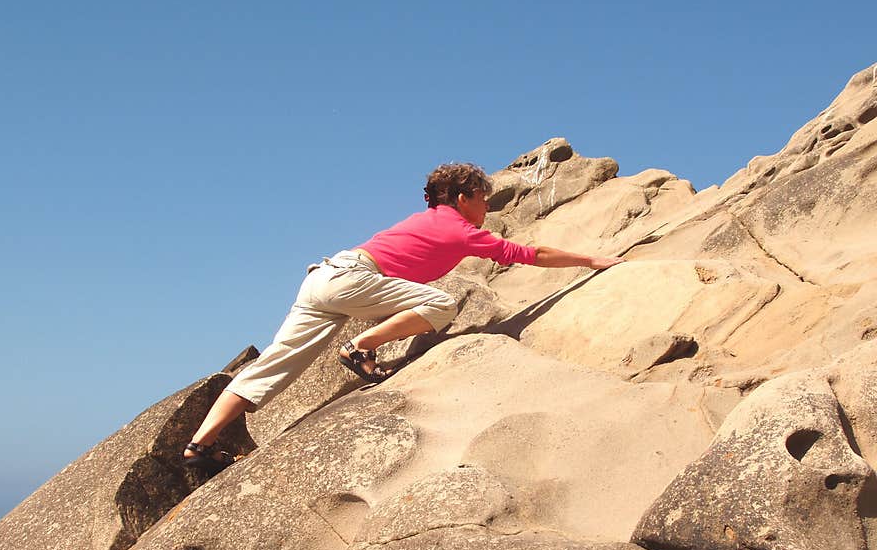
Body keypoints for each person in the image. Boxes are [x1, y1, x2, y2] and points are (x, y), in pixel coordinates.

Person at [183, 162, 625, 474]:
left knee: (272, 369)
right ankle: (359, 348)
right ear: (461, 198)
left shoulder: (426, 219)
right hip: (352, 279)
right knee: (442, 304)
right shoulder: (456, 227)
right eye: (482, 199)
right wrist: (590, 260)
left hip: (323, 279)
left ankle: (198, 447)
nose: (486, 208)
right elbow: (531, 255)